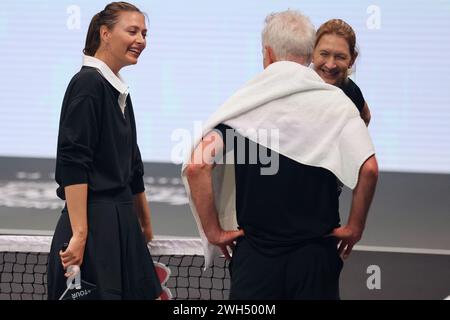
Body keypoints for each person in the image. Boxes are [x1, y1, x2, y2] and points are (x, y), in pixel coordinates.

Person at [182, 10, 378, 299]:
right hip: (316, 258)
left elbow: (197, 165)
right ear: (309, 54)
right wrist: (354, 228)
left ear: (269, 53)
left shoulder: (244, 107)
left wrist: (214, 233)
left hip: (255, 259)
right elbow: (369, 169)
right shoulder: (338, 105)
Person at [47, 2, 162, 300]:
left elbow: (133, 166)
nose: (141, 41)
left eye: (145, 34)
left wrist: (145, 224)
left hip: (123, 224)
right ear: (106, 33)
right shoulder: (88, 84)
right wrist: (80, 234)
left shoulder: (118, 89)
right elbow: (73, 162)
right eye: (132, 31)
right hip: (95, 227)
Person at [313, 19, 371, 126]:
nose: (330, 65)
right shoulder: (296, 86)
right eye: (324, 54)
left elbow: (366, 117)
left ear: (352, 59)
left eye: (340, 57)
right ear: (311, 53)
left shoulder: (352, 92)